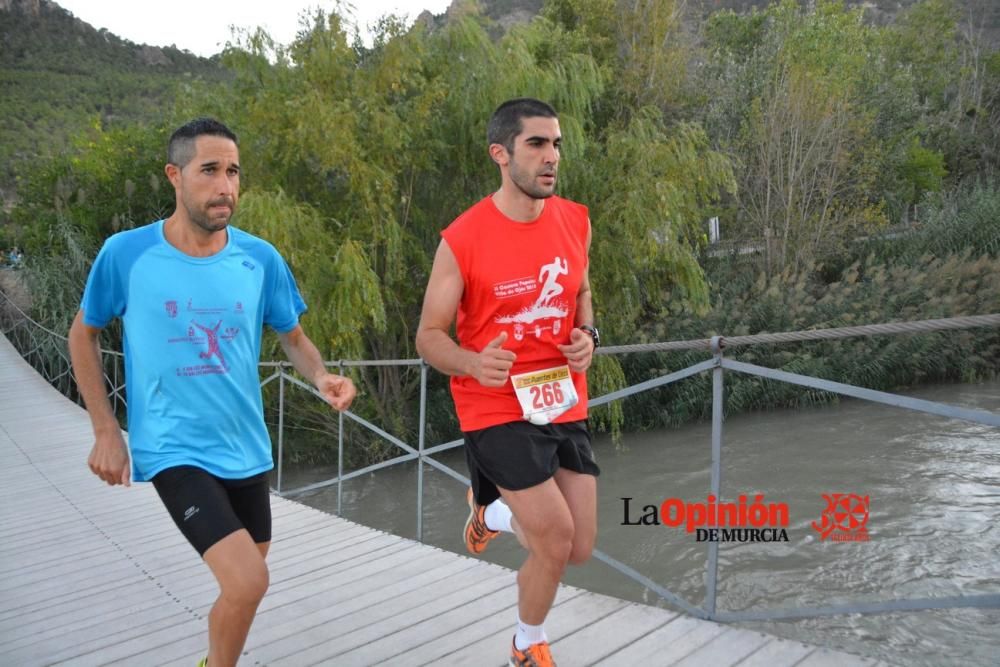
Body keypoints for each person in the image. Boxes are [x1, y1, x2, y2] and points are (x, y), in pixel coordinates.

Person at [68, 118, 356, 667]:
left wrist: (321, 376)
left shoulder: (259, 258)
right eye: (210, 171)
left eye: (233, 172)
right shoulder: (126, 254)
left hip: (245, 446)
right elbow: (84, 332)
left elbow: (292, 336)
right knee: (249, 581)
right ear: (174, 176)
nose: (225, 186)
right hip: (173, 447)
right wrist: (106, 430)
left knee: (244, 590)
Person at [416, 98, 600, 667]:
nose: (552, 158)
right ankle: (527, 643)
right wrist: (471, 363)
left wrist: (589, 335)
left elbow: (583, 292)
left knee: (579, 547)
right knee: (551, 534)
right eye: (537, 145)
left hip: (562, 397)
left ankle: (488, 512)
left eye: (557, 144)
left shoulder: (575, 219)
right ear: (501, 153)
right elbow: (428, 335)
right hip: (493, 403)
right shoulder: (464, 238)